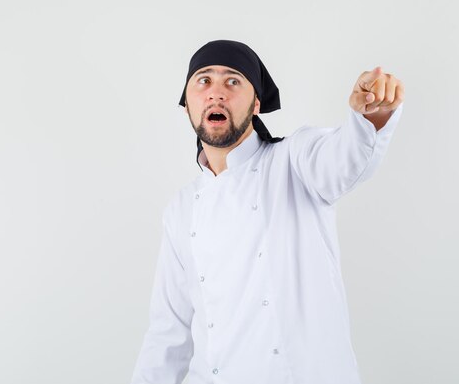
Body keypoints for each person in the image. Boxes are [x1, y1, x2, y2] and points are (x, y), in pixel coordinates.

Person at [129, 39, 405, 384]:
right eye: (203, 81)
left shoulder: (295, 159)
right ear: (187, 104)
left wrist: (371, 115)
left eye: (233, 81)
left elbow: (345, 160)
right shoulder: (181, 208)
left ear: (256, 102)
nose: (217, 93)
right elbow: (168, 331)